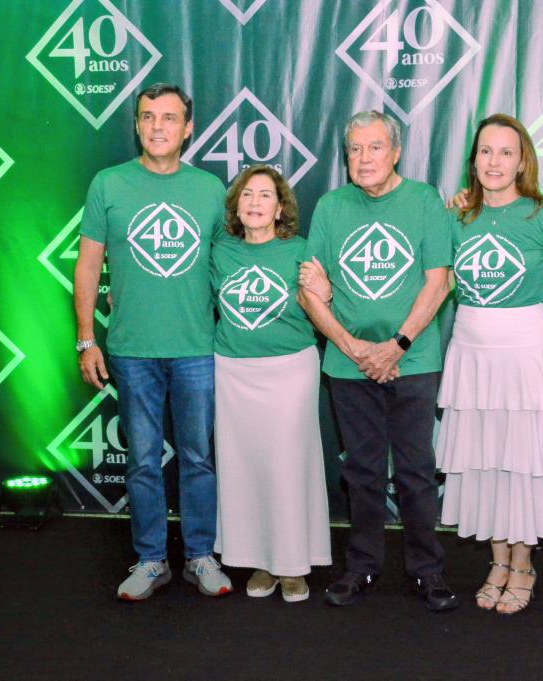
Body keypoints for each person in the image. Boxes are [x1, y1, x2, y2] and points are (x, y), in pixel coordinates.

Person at [74, 83, 232, 600]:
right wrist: (85, 338)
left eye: (169, 118)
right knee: (142, 459)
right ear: (137, 125)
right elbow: (88, 263)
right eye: (148, 117)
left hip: (196, 348)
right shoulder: (108, 184)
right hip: (130, 350)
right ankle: (149, 559)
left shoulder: (211, 190)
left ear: (188, 128)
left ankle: (201, 555)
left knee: (198, 457)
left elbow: (232, 266)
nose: (157, 126)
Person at [297, 110, 458, 611]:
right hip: (348, 366)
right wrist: (355, 348)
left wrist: (396, 347)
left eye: (373, 148)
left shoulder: (424, 201)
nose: (363, 159)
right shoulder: (330, 206)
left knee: (415, 471)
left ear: (394, 153)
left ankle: (427, 572)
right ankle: (361, 567)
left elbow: (440, 280)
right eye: (354, 150)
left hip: (413, 360)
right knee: (362, 471)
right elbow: (309, 290)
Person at [435, 114, 543, 615]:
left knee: (522, 463)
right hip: (471, 353)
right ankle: (496, 561)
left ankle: (524, 563)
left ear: (522, 161)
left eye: (505, 152)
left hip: (525, 353)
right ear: (474, 160)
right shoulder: (456, 217)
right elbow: (439, 283)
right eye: (485, 151)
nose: (494, 161)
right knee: (485, 460)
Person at [212, 165, 331, 602]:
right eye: (247, 195)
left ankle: (293, 565)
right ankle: (261, 561)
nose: (255, 203)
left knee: (286, 467)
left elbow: (326, 303)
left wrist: (328, 291)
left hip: (289, 372)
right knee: (246, 470)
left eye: (265, 196)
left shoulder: (302, 251)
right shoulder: (219, 253)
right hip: (233, 373)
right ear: (236, 207)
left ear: (280, 208)